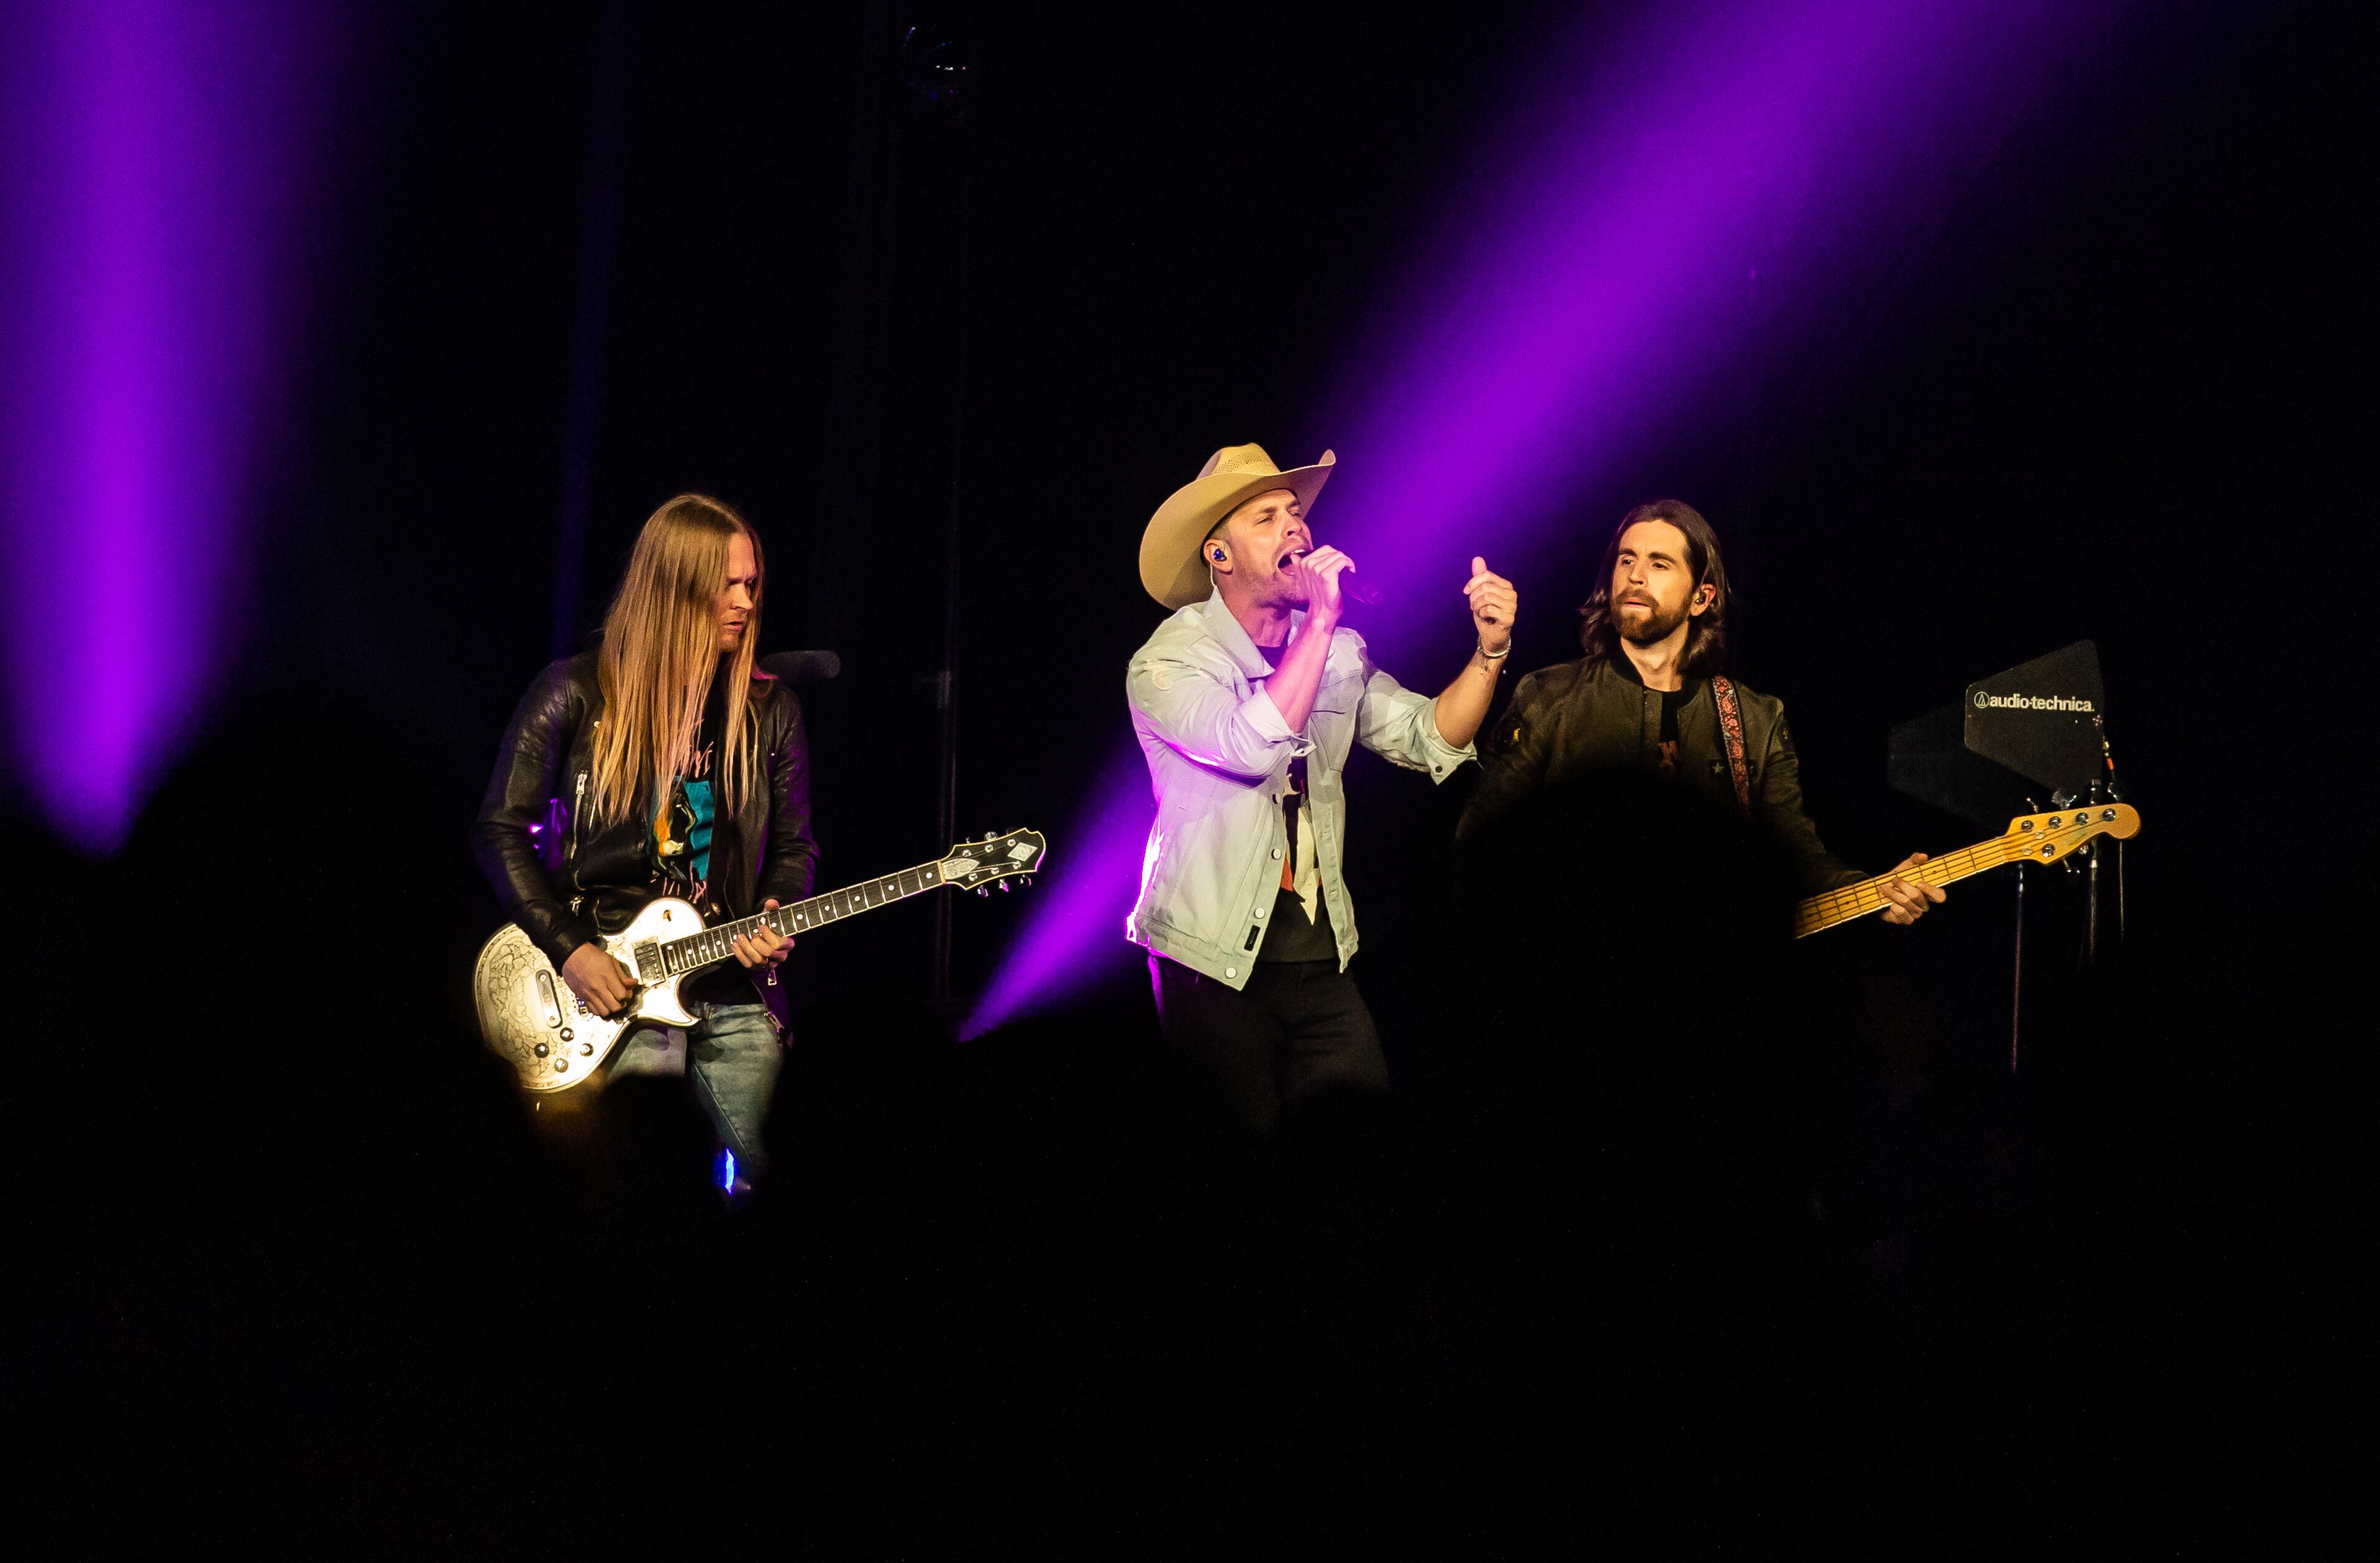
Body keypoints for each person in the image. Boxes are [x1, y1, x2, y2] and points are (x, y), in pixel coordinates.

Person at [1126, 443, 1518, 1132]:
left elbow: (1430, 737)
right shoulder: (1170, 660)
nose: (1297, 528)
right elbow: (1249, 746)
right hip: (1212, 964)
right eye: (1268, 517)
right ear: (1218, 555)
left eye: (1296, 514)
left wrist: (1490, 651)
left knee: (1359, 1149)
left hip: (1320, 956)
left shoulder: (1336, 648)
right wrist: (1325, 623)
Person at [473, 493, 818, 1180]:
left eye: (751, 583)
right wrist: (571, 952)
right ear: (675, 587)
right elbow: (499, 830)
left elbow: (794, 846)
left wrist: (777, 908)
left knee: (783, 1171)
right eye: (726, 584)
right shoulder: (573, 691)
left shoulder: (768, 707)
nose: (745, 601)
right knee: (638, 1181)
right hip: (612, 982)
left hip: (730, 980)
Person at [1460, 497, 1942, 923]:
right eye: (1627, 560)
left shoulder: (1754, 718)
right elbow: (1481, 844)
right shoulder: (1549, 695)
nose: (1636, 575)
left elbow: (1795, 854)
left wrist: (1870, 890)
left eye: (1660, 564)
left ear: (1701, 598)